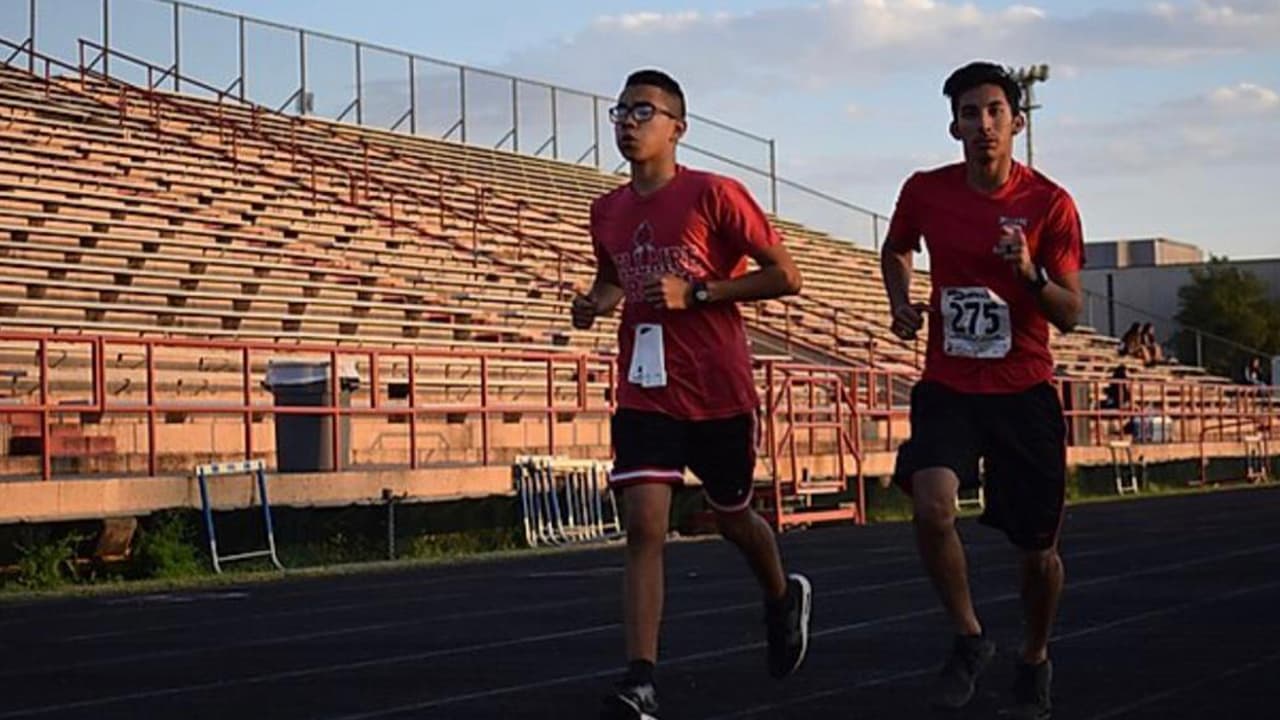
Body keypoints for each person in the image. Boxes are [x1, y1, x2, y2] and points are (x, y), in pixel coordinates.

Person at [572, 69, 812, 720]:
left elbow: (785, 277)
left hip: (717, 386)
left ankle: (779, 594)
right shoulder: (607, 210)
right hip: (646, 389)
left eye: (643, 111)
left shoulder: (715, 195)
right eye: (619, 111)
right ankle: (641, 680)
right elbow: (612, 279)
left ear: (678, 126)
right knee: (645, 525)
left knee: (733, 514)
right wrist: (593, 303)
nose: (627, 122)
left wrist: (700, 292)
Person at [880, 61, 1085, 720]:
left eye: (995, 111)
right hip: (950, 382)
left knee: (1037, 553)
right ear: (954, 126)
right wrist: (902, 300)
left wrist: (1026, 273)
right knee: (933, 505)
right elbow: (896, 249)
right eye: (971, 114)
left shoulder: (1050, 203)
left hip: (1023, 390)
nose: (984, 125)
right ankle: (970, 637)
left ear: (1017, 123)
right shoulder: (926, 191)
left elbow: (1071, 312)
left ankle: (1035, 655)